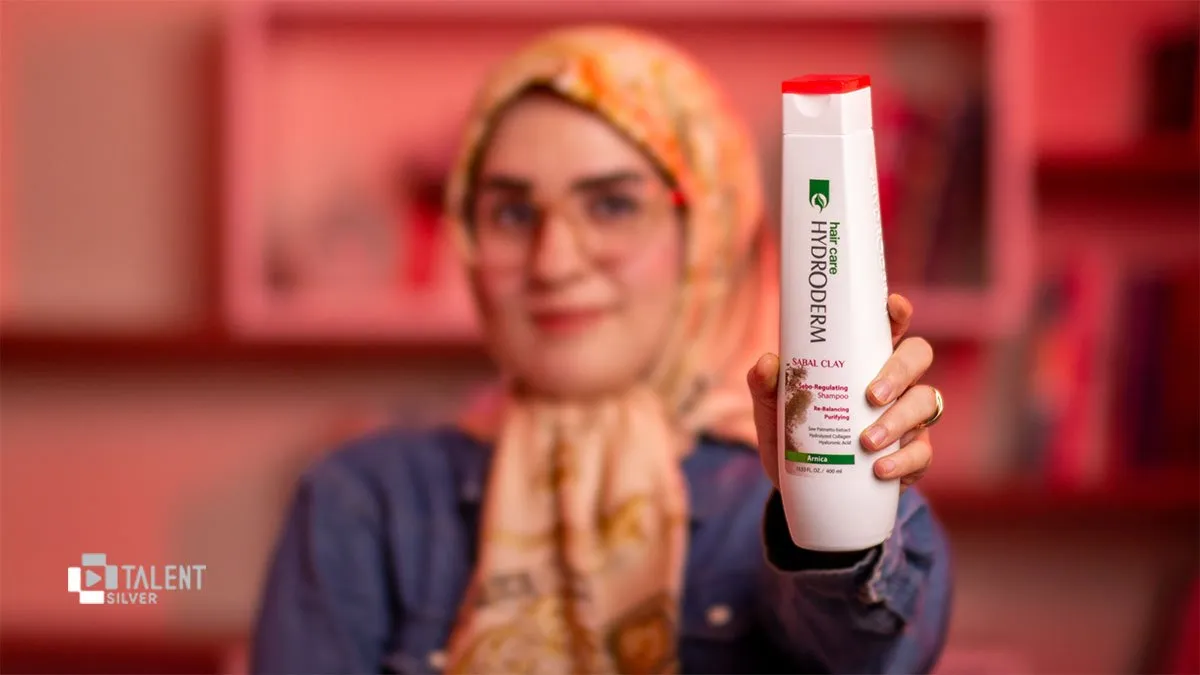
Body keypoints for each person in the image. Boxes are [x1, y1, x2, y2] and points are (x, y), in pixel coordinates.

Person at [252, 25, 952, 675]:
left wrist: (843, 499)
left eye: (612, 204)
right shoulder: (369, 500)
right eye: (512, 212)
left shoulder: (768, 494)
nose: (553, 261)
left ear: (709, 232)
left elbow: (871, 653)